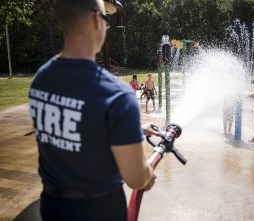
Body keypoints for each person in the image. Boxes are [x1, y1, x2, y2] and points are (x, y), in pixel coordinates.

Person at [28, 1, 160, 220]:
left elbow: (78, 127)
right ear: (98, 21)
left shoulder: (41, 79)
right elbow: (136, 179)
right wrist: (148, 176)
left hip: (51, 207)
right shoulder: (118, 96)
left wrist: (133, 130)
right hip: (98, 210)